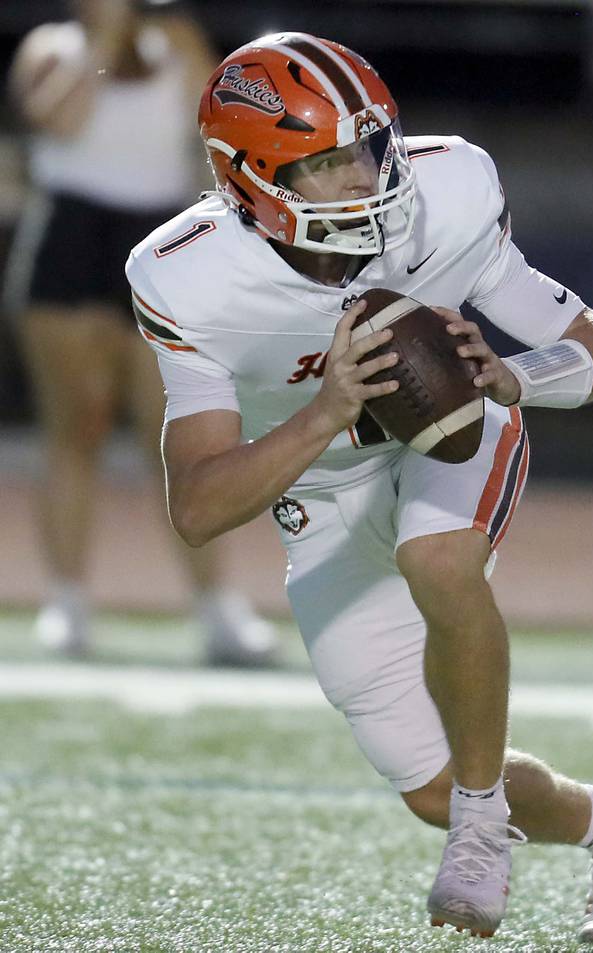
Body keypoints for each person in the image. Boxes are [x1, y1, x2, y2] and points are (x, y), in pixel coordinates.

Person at [126, 32, 593, 942]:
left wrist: (514, 374)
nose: (366, 179)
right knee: (426, 784)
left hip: (453, 428)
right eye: (329, 164)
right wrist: (326, 409)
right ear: (253, 183)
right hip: (324, 488)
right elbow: (200, 509)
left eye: (370, 148)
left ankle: (480, 822)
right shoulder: (187, 277)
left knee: (439, 555)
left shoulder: (450, 191)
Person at [6, 0, 279, 666]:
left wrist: (182, 41)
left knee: (181, 429)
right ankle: (68, 602)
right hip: (71, 232)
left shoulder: (175, 42)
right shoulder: (52, 45)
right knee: (77, 424)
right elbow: (57, 123)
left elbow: (224, 121)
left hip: (158, 236)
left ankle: (216, 609)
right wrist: (104, 45)